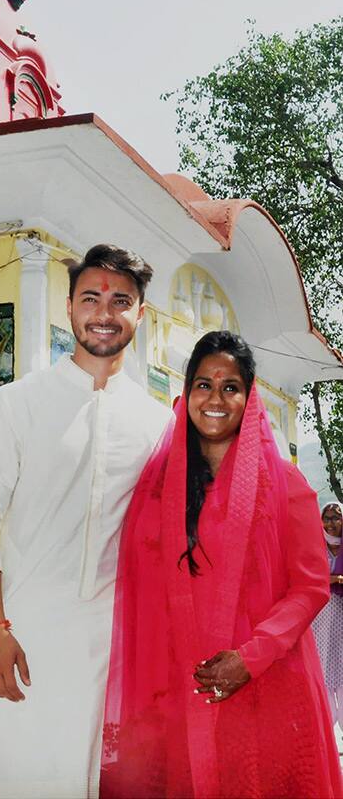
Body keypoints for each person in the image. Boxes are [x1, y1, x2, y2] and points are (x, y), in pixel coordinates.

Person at [0, 244, 174, 799]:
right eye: (91, 298)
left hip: (117, 652)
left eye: (120, 300)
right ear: (70, 307)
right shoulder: (14, 405)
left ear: (140, 314)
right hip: (22, 639)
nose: (104, 312)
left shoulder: (157, 424)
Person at [102, 331, 343, 798]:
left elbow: (310, 587)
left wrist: (249, 658)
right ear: (186, 393)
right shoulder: (156, 490)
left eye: (230, 386)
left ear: (249, 399)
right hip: (178, 689)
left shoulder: (286, 486)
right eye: (203, 384)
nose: (216, 398)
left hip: (265, 686)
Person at [312, 501, 343, 732]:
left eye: (336, 517)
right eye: (327, 517)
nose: (330, 523)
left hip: (341, 612)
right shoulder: (315, 545)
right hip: (321, 615)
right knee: (322, 667)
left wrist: (336, 579)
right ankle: (325, 729)